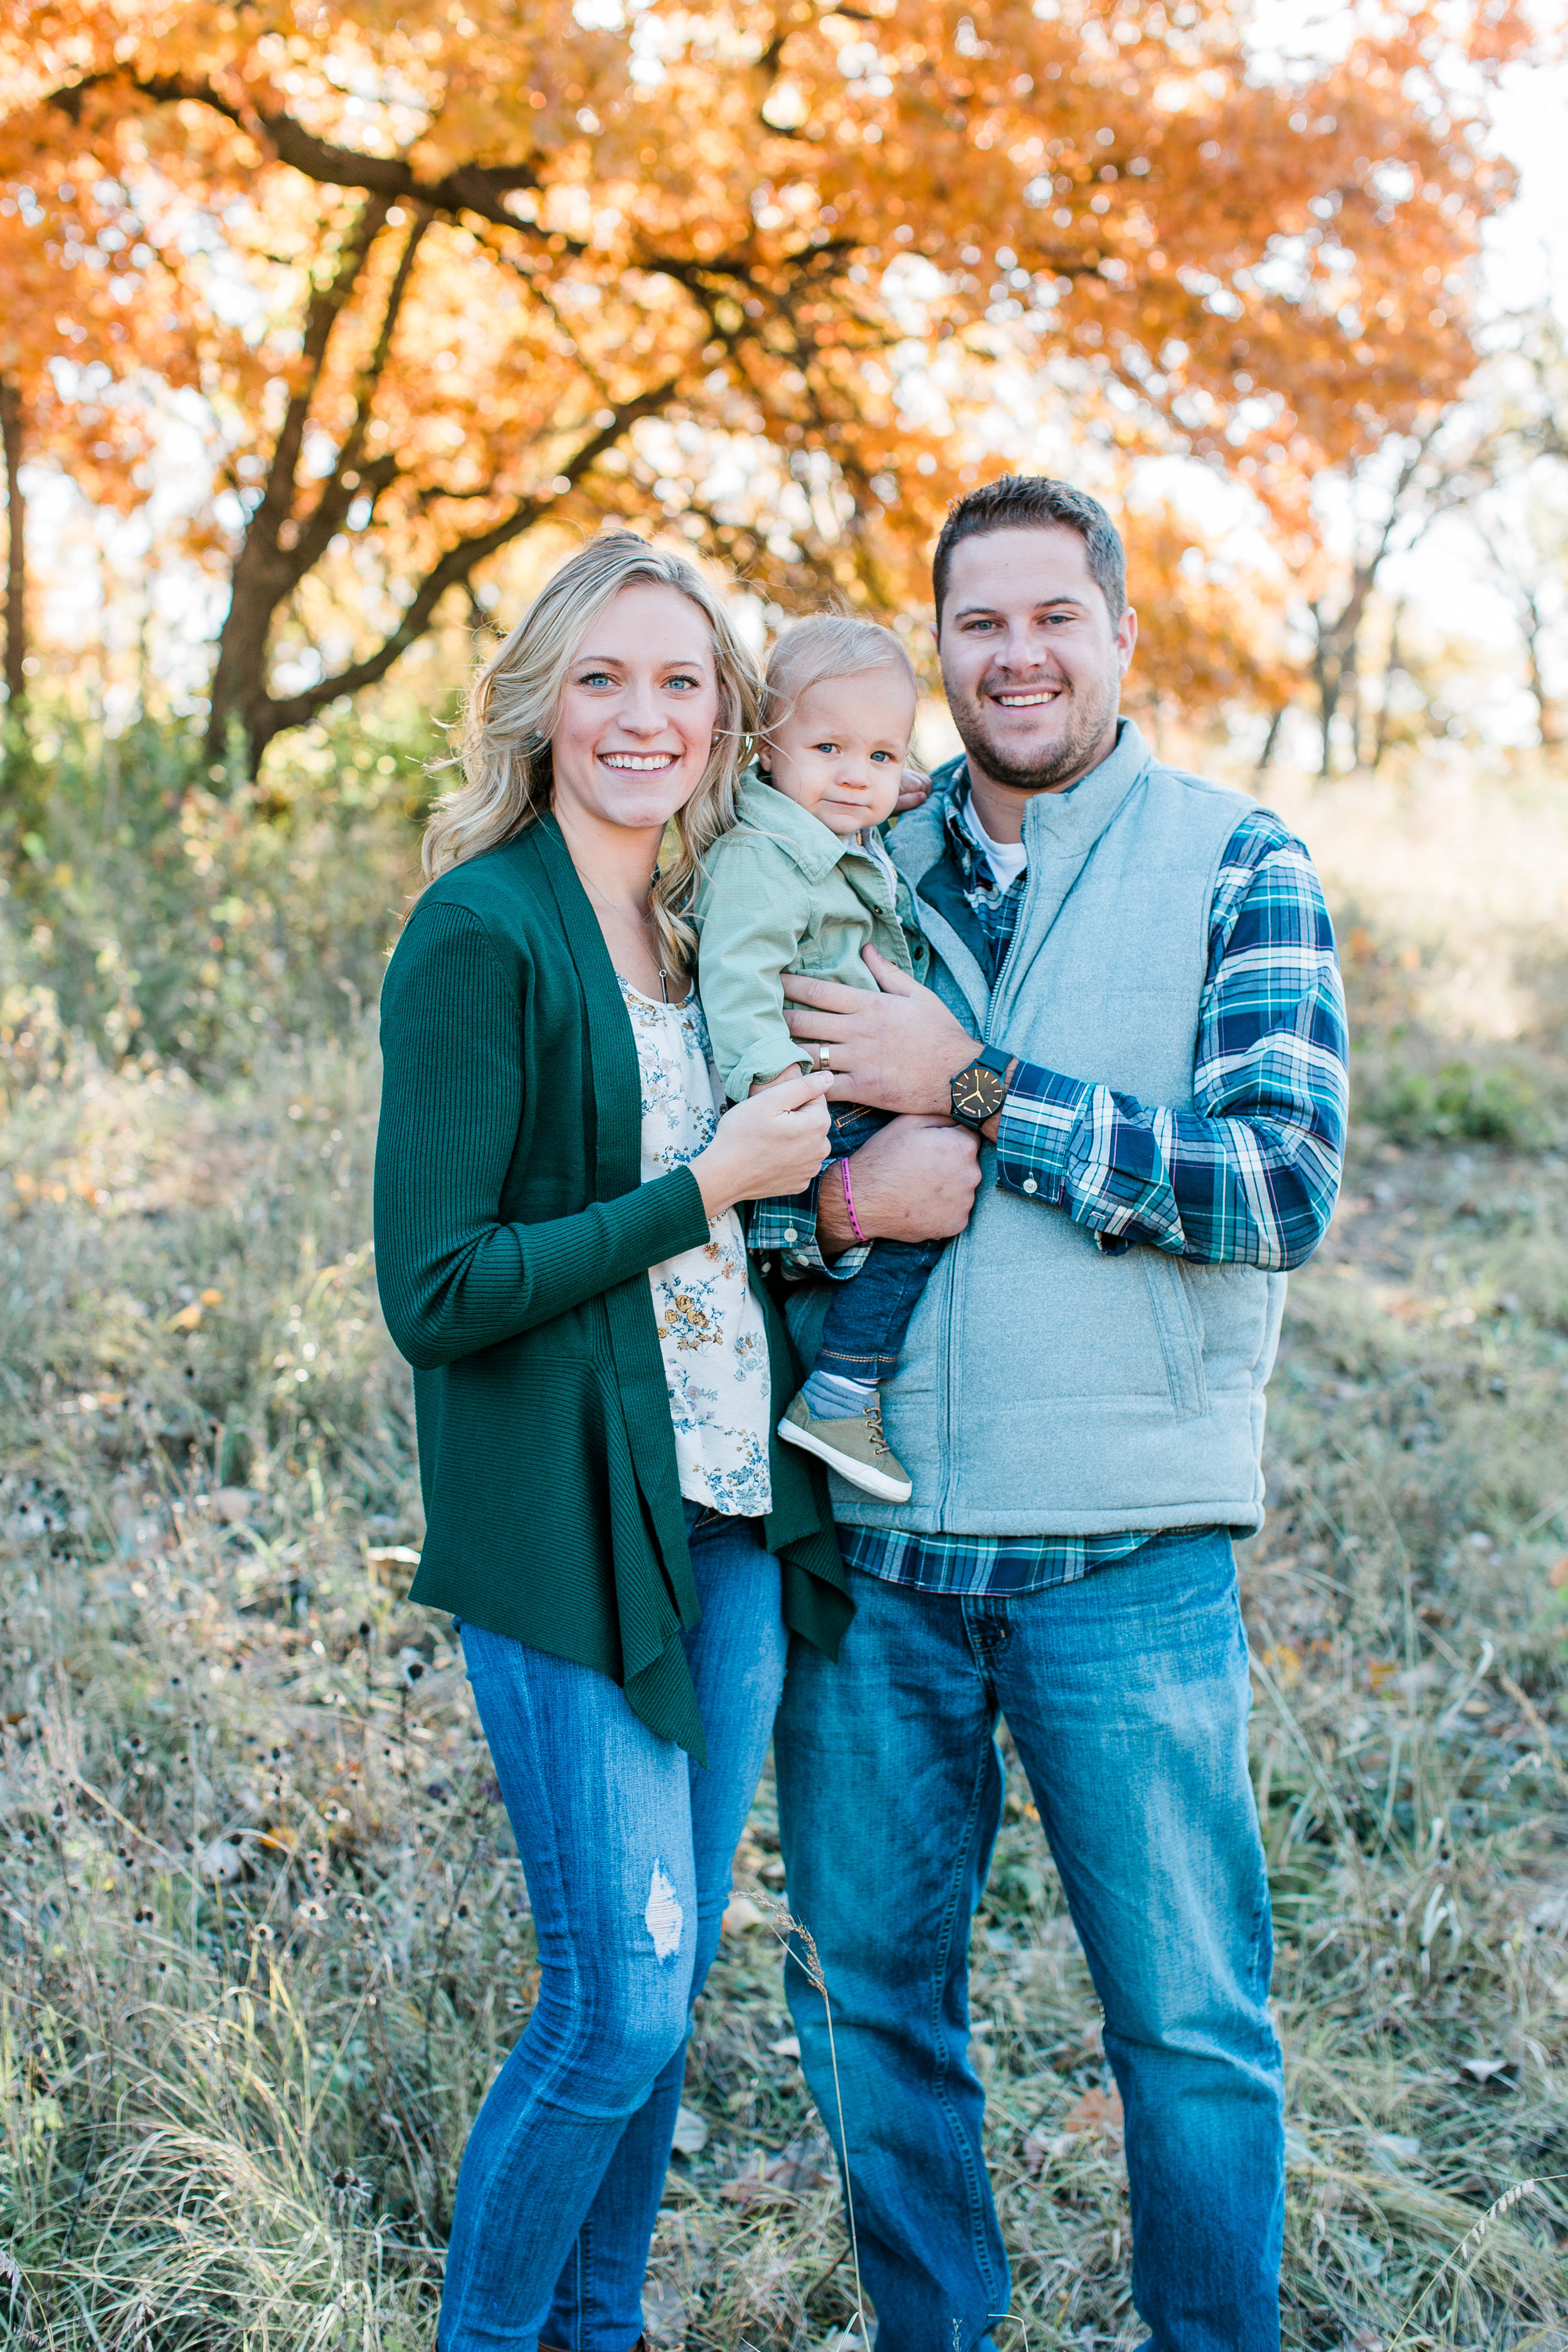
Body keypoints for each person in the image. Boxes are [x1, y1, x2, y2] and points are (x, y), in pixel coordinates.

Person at [756, 475, 1350, 2351]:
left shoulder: (1234, 857)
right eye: (978, 623)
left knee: (1186, 2024)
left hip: (1127, 1556)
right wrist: (843, 1204)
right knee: (866, 2007)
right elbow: (748, 1153)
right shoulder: (841, 850)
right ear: (939, 649)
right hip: (875, 1552)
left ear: (1116, 636)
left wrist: (986, 1089)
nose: (1014, 654)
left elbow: (1276, 1185)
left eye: (1051, 617)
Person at [373, 532, 853, 2351]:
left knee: (670, 1972)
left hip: (725, 1511)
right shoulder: (482, 926)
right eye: (601, 676)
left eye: (678, 680)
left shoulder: (711, 919)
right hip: (570, 1529)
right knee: (618, 1999)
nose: (642, 715)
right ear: (540, 703)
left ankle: (600, 2325)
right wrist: (696, 1188)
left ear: (725, 714)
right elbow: (437, 1282)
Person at [695, 613, 943, 1505]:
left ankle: (842, 1382)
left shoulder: (833, 824)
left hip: (846, 1082)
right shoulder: (768, 854)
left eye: (881, 755)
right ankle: (842, 1388)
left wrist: (884, 785)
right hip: (812, 1098)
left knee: (945, 1162)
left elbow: (869, 782)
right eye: (829, 745)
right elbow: (736, 970)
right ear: (767, 745)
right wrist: (774, 1087)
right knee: (939, 1174)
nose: (855, 773)